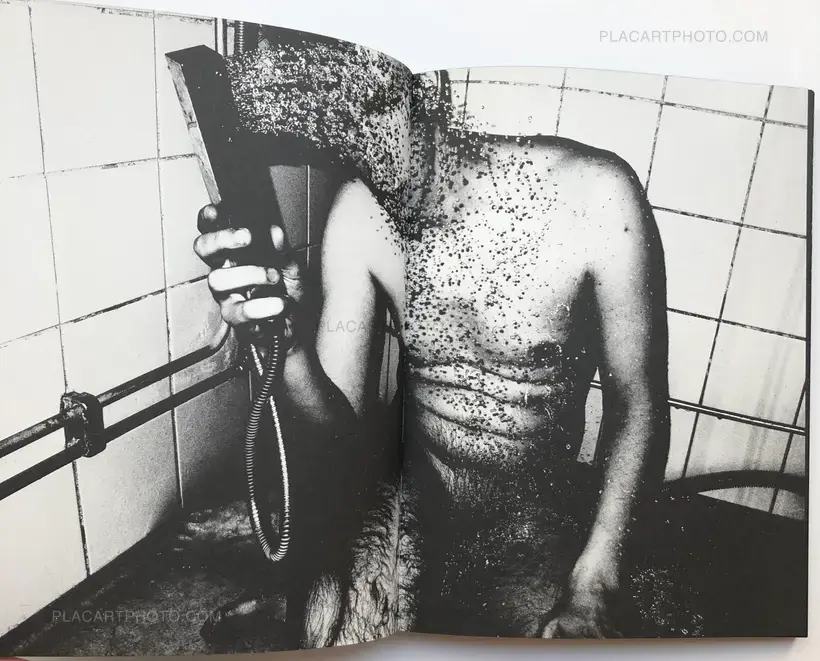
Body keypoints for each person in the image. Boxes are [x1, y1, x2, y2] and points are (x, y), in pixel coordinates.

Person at [193, 74, 670, 643]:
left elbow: (637, 406)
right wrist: (289, 345)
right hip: (413, 495)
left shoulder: (596, 197)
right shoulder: (360, 210)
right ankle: (308, 591)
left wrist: (594, 585)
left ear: (430, 91)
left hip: (528, 512)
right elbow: (337, 429)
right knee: (334, 628)